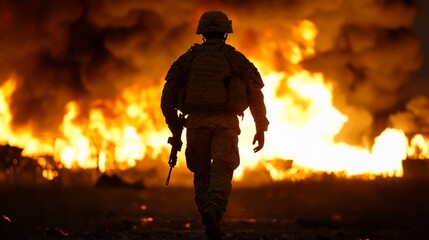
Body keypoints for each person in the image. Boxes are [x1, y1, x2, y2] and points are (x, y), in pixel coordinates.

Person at [161, 10, 269, 240]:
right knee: (222, 168)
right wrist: (261, 126)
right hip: (225, 124)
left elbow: (168, 95)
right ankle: (214, 209)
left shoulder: (188, 59)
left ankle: (206, 214)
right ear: (226, 33)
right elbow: (255, 93)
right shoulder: (234, 58)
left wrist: (174, 126)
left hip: (196, 124)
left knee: (201, 173)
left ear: (202, 32)